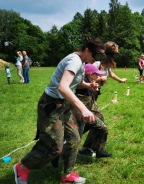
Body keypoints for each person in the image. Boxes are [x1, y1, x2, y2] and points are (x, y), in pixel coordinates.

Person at [13, 36, 104, 184]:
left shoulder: (81, 61)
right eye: (97, 55)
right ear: (87, 50)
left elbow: (76, 83)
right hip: (51, 105)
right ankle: (22, 167)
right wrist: (83, 108)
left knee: (74, 139)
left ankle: (67, 175)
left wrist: (88, 86)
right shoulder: (74, 61)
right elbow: (63, 87)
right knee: (54, 147)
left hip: (65, 105)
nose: (98, 59)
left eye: (102, 56)